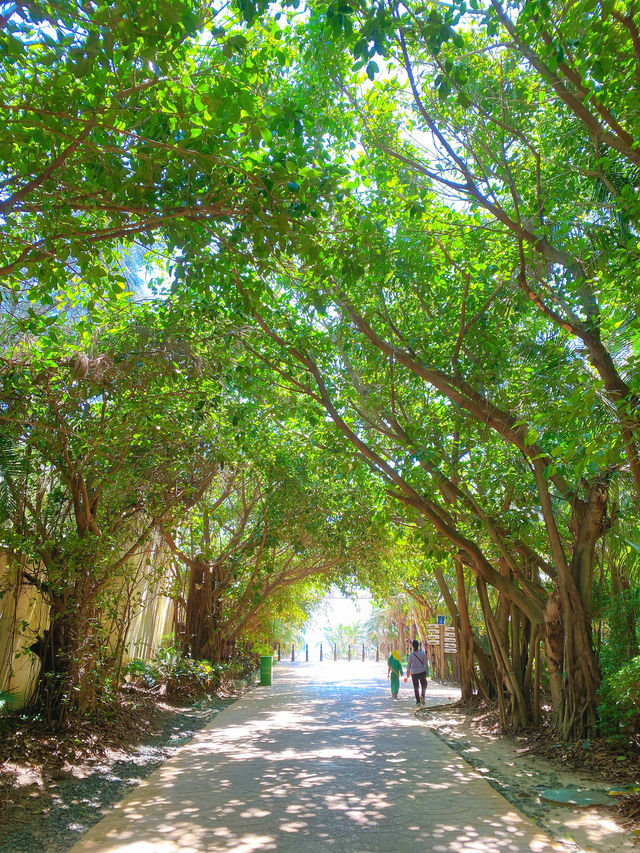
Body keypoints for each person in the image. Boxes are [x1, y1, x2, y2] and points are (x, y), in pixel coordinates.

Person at [406, 639, 428, 706]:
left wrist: (408, 673)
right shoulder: (422, 654)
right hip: (422, 671)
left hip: (414, 672)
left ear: (412, 646)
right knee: (424, 685)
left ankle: (418, 701)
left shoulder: (411, 655)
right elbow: (426, 663)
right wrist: (427, 671)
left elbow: (409, 664)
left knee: (416, 686)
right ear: (418, 646)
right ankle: (423, 696)